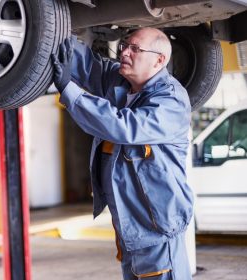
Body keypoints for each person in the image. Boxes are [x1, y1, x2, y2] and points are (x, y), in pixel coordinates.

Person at [52, 27, 194, 279]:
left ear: (159, 60)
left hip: (156, 231)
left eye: (135, 49)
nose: (124, 52)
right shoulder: (121, 80)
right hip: (130, 229)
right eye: (124, 46)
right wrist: (51, 30)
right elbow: (88, 65)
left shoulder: (171, 100)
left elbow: (123, 126)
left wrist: (70, 91)